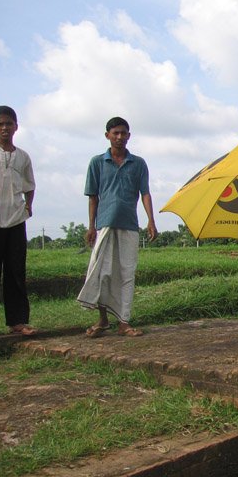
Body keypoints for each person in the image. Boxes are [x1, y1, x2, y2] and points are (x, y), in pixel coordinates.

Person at [77, 116, 157, 337]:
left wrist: (151, 220)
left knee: (126, 273)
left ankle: (124, 322)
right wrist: (91, 226)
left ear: (129, 136)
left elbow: (145, 193)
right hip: (104, 225)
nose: (120, 137)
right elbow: (93, 197)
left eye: (124, 133)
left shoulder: (138, 163)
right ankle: (102, 320)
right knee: (102, 272)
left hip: (129, 225)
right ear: (107, 136)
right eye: (116, 133)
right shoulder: (97, 162)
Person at [0, 105, 36, 336]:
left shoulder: (23, 156)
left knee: (16, 271)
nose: (5, 128)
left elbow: (30, 184)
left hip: (16, 219)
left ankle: (18, 321)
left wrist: (28, 204)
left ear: (16, 126)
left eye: (9, 123)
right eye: (0, 124)